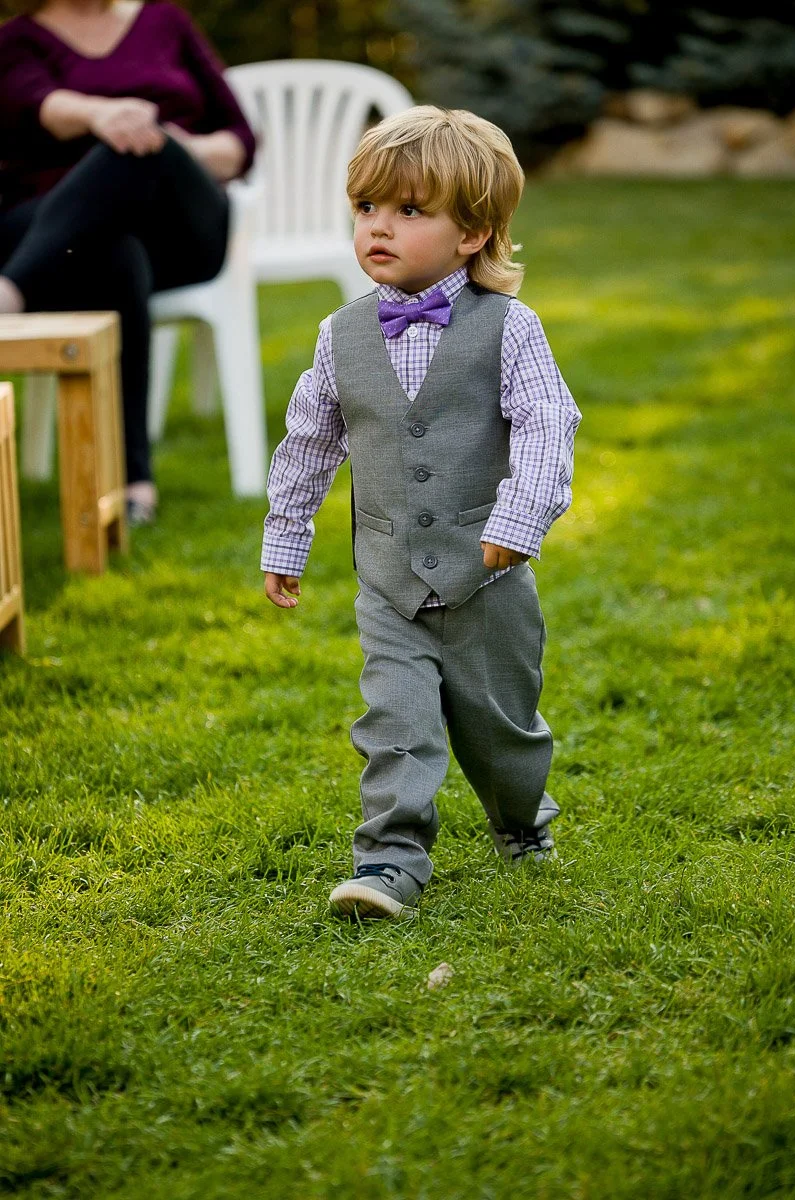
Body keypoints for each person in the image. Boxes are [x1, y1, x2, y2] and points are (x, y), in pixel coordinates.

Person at [262, 106, 581, 919]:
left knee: (502, 729)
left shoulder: (511, 329)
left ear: (473, 233)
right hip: (390, 581)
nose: (379, 228)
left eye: (410, 211)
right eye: (367, 208)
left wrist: (517, 523)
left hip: (489, 583)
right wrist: (286, 537)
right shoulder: (340, 337)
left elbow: (549, 423)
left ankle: (521, 819)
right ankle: (391, 864)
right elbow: (308, 442)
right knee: (394, 721)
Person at [0, 0, 256, 524]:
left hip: (182, 229)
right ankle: (133, 482)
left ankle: (8, 292)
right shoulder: (17, 39)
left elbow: (240, 137)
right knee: (118, 253)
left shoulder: (167, 19)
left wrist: (176, 146)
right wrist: (101, 115)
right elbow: (36, 104)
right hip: (57, 238)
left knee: (142, 145)